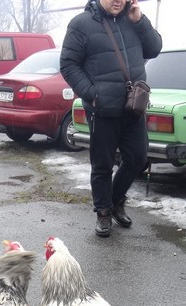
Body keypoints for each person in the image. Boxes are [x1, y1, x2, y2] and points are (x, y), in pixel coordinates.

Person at [60, 0, 162, 238]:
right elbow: (68, 64)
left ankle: (115, 200)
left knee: (137, 158)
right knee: (102, 165)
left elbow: (154, 49)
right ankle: (104, 212)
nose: (118, 0)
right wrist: (92, 94)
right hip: (102, 110)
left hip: (132, 106)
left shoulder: (133, 20)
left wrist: (141, 22)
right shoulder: (81, 24)